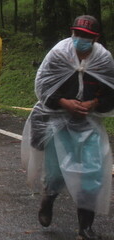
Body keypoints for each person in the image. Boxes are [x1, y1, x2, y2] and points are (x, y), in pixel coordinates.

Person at [21, 15, 114, 240]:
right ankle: (48, 200)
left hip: (87, 121)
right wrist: (64, 102)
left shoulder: (103, 59)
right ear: (72, 33)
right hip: (56, 120)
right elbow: (43, 86)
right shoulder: (59, 54)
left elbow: (111, 91)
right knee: (55, 174)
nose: (80, 39)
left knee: (92, 173)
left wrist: (94, 104)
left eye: (87, 36)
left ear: (96, 38)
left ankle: (85, 227)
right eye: (77, 34)